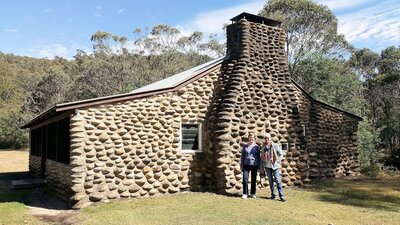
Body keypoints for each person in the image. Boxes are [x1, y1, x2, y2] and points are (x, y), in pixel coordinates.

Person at [260, 133, 286, 202]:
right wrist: (261, 167)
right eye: (265, 138)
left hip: (275, 166)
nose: (266, 139)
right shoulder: (263, 147)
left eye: (268, 138)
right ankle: (273, 195)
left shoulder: (275, 145)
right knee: (270, 181)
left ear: (270, 138)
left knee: (277, 180)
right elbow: (262, 158)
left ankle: (281, 196)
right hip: (267, 166)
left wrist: (278, 161)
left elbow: (281, 154)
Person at [240, 132, 261, 199]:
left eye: (252, 138)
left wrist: (259, 166)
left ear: (254, 138)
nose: (251, 139)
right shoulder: (245, 146)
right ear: (248, 138)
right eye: (250, 137)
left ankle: (253, 193)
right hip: (246, 165)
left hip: (254, 165)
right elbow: (242, 156)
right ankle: (245, 193)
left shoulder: (256, 147)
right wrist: (241, 165)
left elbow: (258, 157)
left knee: (253, 179)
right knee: (245, 179)